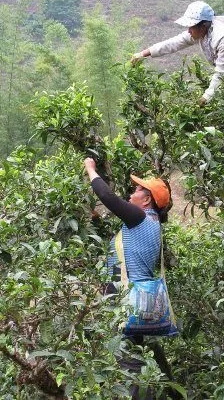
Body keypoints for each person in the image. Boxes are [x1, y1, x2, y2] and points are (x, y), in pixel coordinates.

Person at [132, 1, 224, 189]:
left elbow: (222, 73)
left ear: (203, 25)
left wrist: (205, 97)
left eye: (191, 26)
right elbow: (175, 42)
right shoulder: (202, 32)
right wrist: (145, 53)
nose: (188, 30)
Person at [84, 157, 174, 399]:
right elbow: (125, 249)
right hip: (134, 298)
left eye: (137, 190)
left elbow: (109, 198)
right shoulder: (148, 223)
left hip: (126, 300)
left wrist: (91, 170)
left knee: (127, 362)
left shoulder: (141, 217)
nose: (132, 193)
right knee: (129, 356)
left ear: (147, 200)